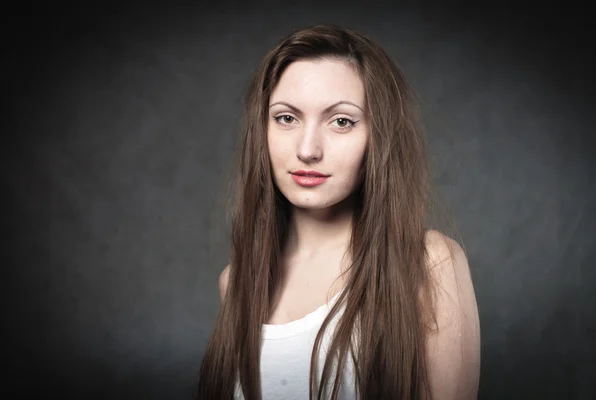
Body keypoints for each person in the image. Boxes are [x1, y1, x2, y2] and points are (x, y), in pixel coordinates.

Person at [197, 24, 480, 400]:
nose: (308, 149)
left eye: (342, 121)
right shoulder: (237, 282)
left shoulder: (428, 264)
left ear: (377, 136)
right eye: (286, 118)